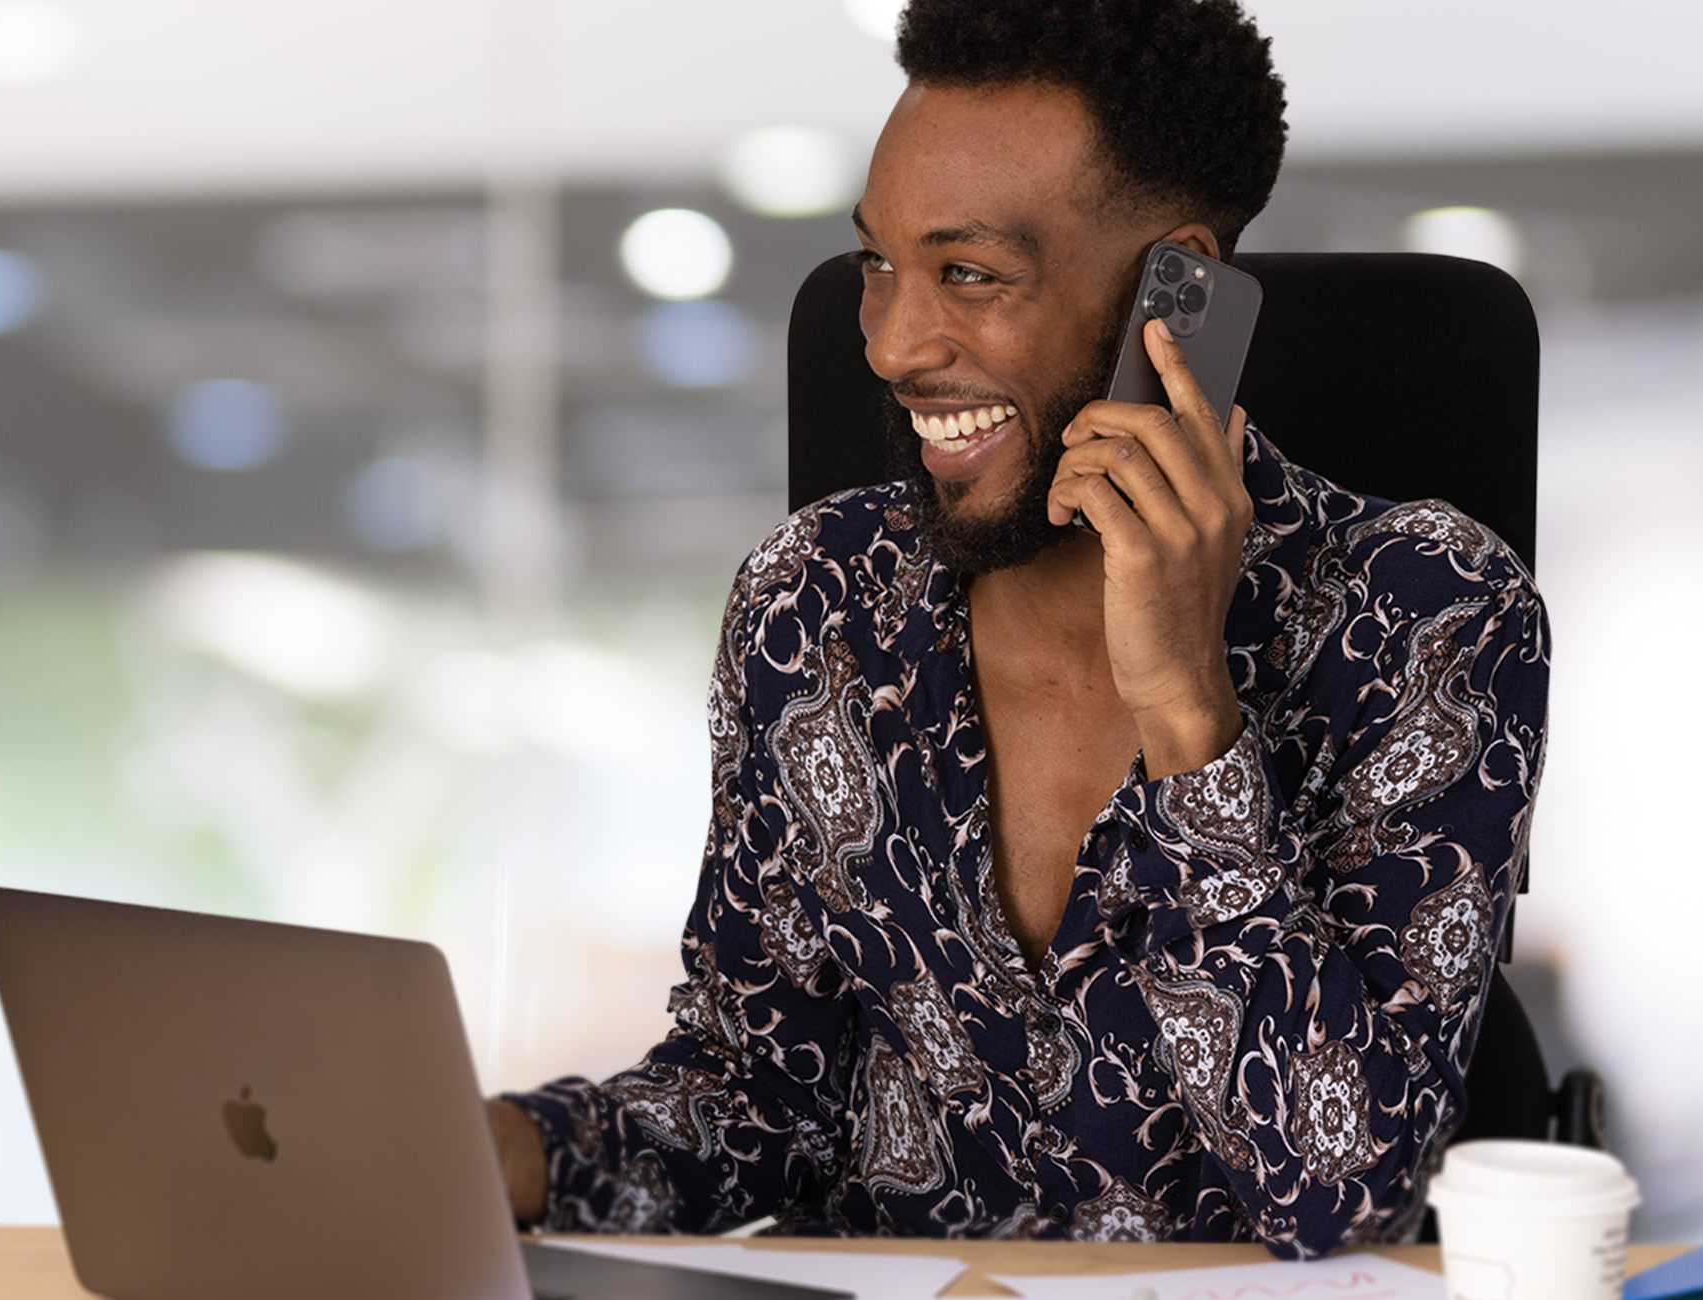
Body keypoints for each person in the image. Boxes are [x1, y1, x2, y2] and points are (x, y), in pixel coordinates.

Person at [486, 0, 1549, 1259]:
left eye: (970, 274)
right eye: (879, 262)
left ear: (1179, 291)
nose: (888, 340)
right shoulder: (814, 606)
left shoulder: (1429, 614)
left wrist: (1189, 715)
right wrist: (486, 1144)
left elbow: (1343, 1193)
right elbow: (749, 1102)